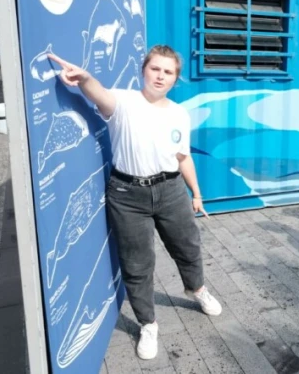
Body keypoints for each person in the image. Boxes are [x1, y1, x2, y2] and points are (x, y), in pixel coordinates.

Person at [49, 45, 222, 360]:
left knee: (188, 247)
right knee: (138, 264)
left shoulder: (178, 114)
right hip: (128, 195)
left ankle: (197, 289)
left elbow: (183, 158)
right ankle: (148, 324)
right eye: (155, 68)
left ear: (175, 78)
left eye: (167, 72)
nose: (160, 76)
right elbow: (97, 93)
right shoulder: (124, 101)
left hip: (170, 191)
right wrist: (85, 77)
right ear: (145, 69)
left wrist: (195, 193)